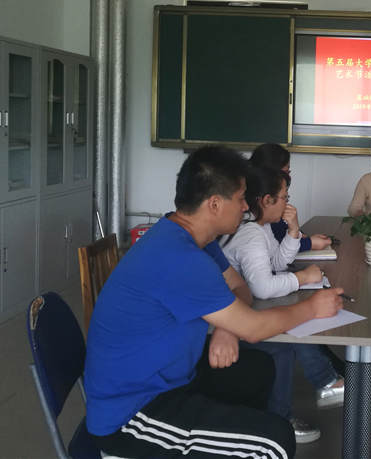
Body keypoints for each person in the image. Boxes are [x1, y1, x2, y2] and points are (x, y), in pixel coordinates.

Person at [84, 145, 344, 458]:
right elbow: (254, 328)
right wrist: (312, 307)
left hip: (173, 376)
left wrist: (226, 327)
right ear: (215, 204)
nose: (246, 207)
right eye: (241, 198)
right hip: (133, 411)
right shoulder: (180, 257)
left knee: (259, 368)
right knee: (273, 442)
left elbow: (240, 287)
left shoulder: (191, 238)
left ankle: (228, 442)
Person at [223, 166, 345, 443]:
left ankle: (325, 384)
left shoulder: (260, 227)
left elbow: (277, 263)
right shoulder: (251, 234)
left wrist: (293, 231)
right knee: (287, 336)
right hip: (232, 321)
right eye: (284, 197)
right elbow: (262, 287)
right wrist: (302, 278)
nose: (288, 203)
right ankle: (284, 418)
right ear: (266, 200)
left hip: (242, 310)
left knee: (293, 324)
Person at [249, 143, 332, 252]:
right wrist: (309, 243)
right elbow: (278, 244)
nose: (288, 177)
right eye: (286, 172)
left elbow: (281, 233)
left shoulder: (266, 208)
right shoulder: (254, 218)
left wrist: (299, 234)